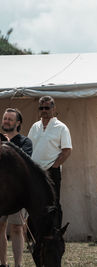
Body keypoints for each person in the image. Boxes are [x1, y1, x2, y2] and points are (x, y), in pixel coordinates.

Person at [28, 96, 72, 226]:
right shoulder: (35, 126)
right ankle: (36, 237)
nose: (44, 110)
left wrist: (54, 166)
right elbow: (29, 146)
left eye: (47, 107)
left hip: (52, 172)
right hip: (35, 172)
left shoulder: (61, 127)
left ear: (53, 108)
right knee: (35, 202)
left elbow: (67, 150)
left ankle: (55, 235)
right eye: (41, 108)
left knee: (53, 203)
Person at [0, 108, 32, 267]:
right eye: (4, 118)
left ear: (18, 123)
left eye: (9, 119)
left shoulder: (25, 142)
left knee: (17, 229)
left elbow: (24, 163)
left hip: (17, 193)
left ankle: (18, 265)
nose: (5, 121)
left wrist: (8, 145)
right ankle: (3, 263)